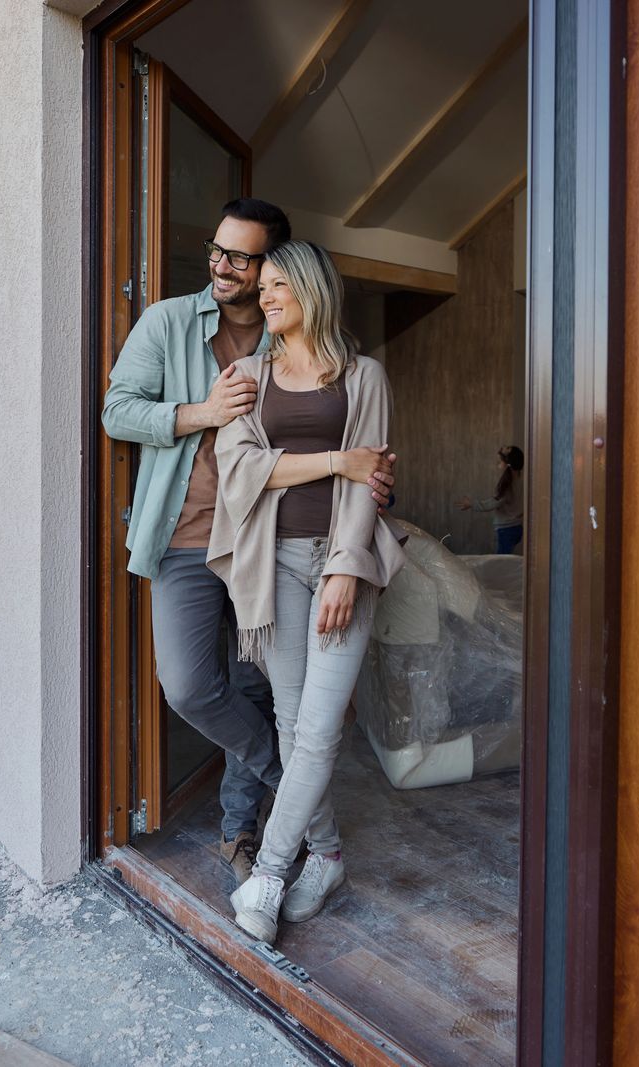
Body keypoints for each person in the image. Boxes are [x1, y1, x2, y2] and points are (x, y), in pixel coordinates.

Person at [101, 200, 396, 886]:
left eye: (241, 257)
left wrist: (369, 476)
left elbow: (350, 441)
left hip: (269, 541)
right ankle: (295, 784)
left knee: (258, 686)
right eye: (218, 250)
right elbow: (117, 410)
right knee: (190, 686)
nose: (223, 266)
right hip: (189, 535)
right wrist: (204, 412)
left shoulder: (292, 335)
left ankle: (241, 830)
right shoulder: (170, 322)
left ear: (274, 266)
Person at [207, 241, 406, 943]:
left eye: (277, 285)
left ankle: (268, 872)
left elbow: (370, 477)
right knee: (293, 728)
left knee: (319, 729)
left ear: (313, 289)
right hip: (275, 564)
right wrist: (334, 459)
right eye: (260, 286)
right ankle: (327, 856)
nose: (263, 296)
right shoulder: (248, 376)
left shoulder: (364, 375)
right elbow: (238, 467)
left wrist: (347, 566)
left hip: (339, 561)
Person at [455, 445, 524, 554]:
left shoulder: (507, 486)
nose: (498, 465)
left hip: (507, 529)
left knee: (502, 560)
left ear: (508, 465)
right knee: (507, 559)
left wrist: (471, 504)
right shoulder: (522, 480)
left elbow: (492, 503)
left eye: (500, 462)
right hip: (517, 527)